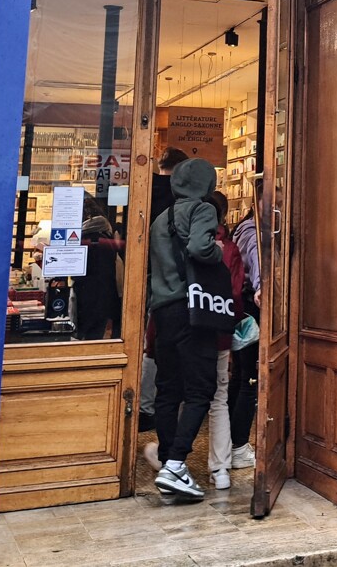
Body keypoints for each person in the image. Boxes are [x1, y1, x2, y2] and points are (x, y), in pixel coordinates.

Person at [147, 157, 224, 501]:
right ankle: (176, 464)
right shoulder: (203, 210)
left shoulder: (159, 218)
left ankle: (167, 461)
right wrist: (218, 251)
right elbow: (199, 247)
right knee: (199, 390)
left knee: (168, 390)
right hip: (194, 310)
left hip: (162, 312)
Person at [141, 147, 187, 431]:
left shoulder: (144, 190)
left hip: (145, 275)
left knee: (149, 342)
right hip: (173, 283)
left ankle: (146, 406)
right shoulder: (181, 200)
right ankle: (160, 404)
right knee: (162, 345)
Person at [203, 190, 245, 490]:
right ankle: (220, 468)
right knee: (218, 397)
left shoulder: (183, 241)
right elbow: (236, 295)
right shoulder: (229, 249)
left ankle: (171, 460)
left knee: (184, 395)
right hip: (218, 333)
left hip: (186, 332)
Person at [229, 202, 261, 471]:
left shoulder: (240, 229)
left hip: (242, 308)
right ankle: (238, 445)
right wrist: (262, 287)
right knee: (249, 379)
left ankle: (231, 443)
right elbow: (257, 256)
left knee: (241, 377)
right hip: (252, 309)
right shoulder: (253, 231)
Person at [72, 204, 124, 341]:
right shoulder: (107, 244)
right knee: (95, 334)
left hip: (82, 293)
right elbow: (114, 272)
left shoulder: (80, 241)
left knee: (80, 332)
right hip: (103, 295)